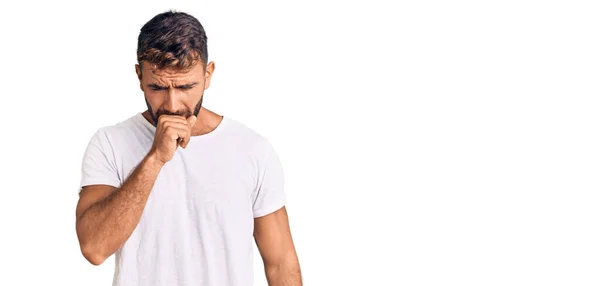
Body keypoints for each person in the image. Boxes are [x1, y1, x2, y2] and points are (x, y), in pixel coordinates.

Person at [75, 10, 302, 286]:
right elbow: (94, 248)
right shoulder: (110, 143)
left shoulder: (252, 149)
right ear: (139, 76)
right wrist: (156, 158)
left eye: (185, 86)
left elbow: (280, 265)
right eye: (157, 87)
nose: (172, 104)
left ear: (208, 75)